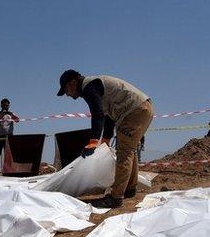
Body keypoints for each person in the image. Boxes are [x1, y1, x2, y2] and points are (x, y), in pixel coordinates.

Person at [57, 69, 154, 209]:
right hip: (141, 108)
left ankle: (115, 198)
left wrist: (93, 141)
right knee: (129, 150)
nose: (67, 94)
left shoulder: (88, 87)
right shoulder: (95, 86)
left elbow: (98, 113)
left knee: (124, 152)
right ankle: (130, 189)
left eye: (66, 90)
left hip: (134, 111)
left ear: (72, 83)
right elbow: (108, 117)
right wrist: (105, 141)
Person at [0, 98, 20, 172]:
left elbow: (17, 120)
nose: (6, 106)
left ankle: (9, 170)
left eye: (7, 105)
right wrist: (1, 114)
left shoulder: (11, 113)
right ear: (1, 105)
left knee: (9, 155)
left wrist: (11, 115)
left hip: (9, 137)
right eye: (5, 105)